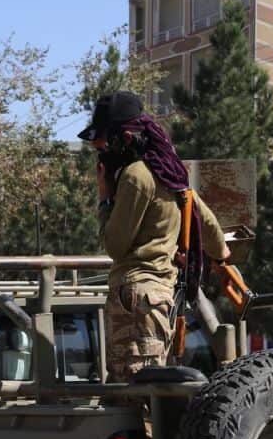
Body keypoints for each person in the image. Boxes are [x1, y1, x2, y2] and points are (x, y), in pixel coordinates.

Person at [78, 91, 231, 383]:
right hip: (160, 299)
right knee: (153, 393)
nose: (99, 149)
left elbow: (115, 246)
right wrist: (221, 258)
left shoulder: (136, 176)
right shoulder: (171, 174)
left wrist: (105, 197)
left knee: (134, 397)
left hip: (135, 299)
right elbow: (211, 230)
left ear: (125, 137)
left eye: (103, 141)